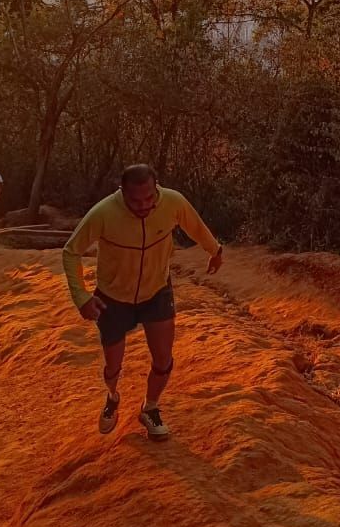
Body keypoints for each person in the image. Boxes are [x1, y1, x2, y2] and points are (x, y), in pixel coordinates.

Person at [61, 164, 224, 442]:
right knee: (113, 366)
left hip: (156, 291)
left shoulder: (172, 201)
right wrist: (82, 296)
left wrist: (214, 250)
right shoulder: (103, 213)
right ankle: (113, 396)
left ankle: (150, 408)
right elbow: (70, 251)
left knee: (164, 360)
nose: (144, 205)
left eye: (149, 198)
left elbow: (194, 224)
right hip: (112, 298)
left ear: (156, 187)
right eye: (135, 200)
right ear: (122, 192)